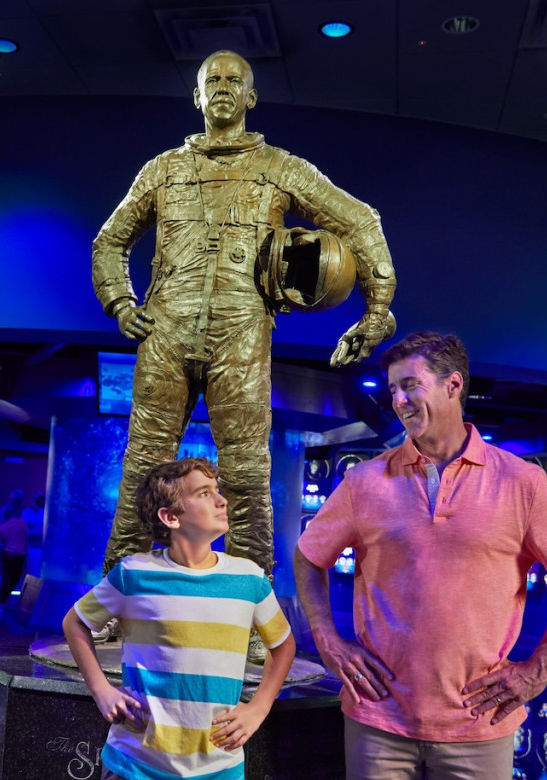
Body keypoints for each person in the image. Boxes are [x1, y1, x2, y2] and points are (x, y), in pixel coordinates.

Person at [293, 331, 547, 780]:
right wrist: (327, 639)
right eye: (393, 389)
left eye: (410, 385)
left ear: (453, 385)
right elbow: (308, 557)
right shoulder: (364, 482)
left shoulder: (521, 483)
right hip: (378, 715)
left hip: (478, 720)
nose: (398, 400)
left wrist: (539, 669)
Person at [93, 49, 397, 575]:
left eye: (234, 80)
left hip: (241, 336)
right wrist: (120, 302)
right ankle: (121, 594)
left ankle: (252, 602)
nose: (222, 87)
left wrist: (378, 306)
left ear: (251, 96)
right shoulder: (162, 171)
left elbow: (360, 221)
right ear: (197, 96)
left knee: (247, 475)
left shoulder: (280, 169)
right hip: (166, 333)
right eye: (212, 79)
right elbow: (110, 241)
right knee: (144, 468)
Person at [63, 457, 295, 780]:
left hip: (217, 779)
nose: (221, 500)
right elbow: (75, 622)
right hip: (137, 776)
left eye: (217, 490)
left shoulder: (249, 578)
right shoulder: (133, 574)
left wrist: (258, 708)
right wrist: (101, 690)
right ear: (170, 517)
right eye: (204, 493)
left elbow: (283, 644)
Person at [0, 511, 28, 609]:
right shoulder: (22, 523)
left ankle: (1, 602)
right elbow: (29, 537)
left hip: (8, 554)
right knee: (15, 579)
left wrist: (0, 545)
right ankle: (6, 598)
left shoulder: (5, 525)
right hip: (20, 555)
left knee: (5, 578)